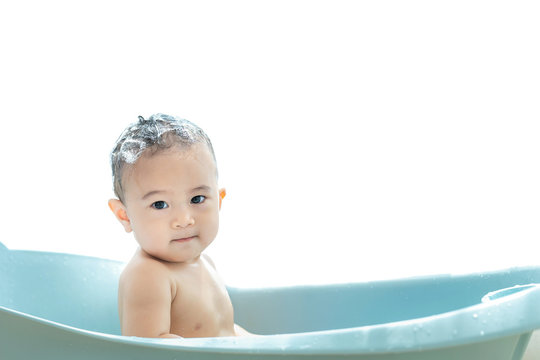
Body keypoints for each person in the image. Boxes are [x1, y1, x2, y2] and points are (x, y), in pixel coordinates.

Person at [108, 113, 251, 338]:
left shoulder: (205, 263)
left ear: (219, 199)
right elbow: (148, 351)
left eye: (197, 199)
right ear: (124, 216)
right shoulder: (148, 275)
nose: (184, 219)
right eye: (160, 204)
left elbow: (225, 333)